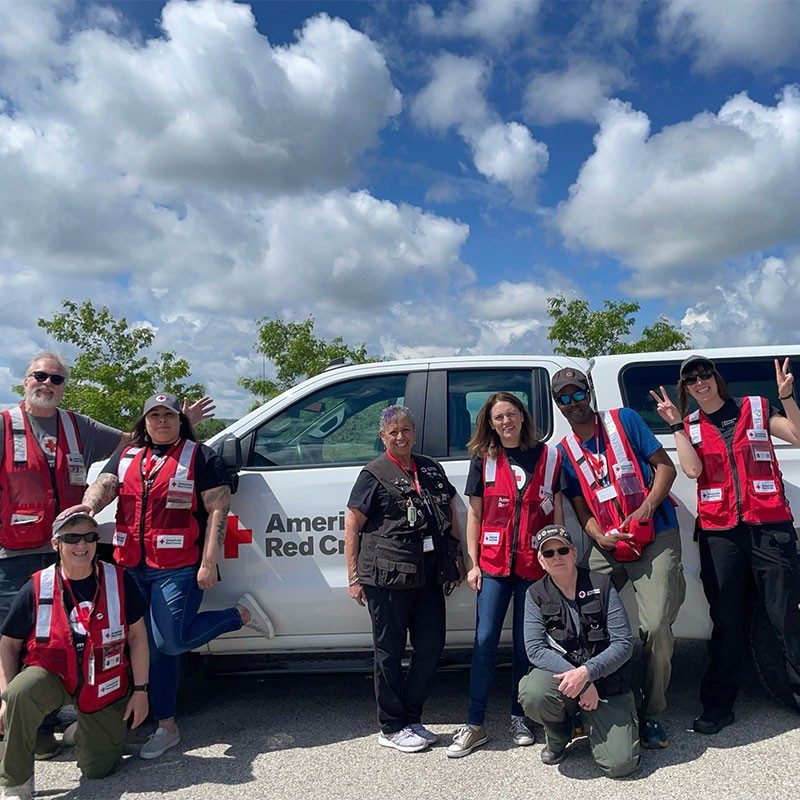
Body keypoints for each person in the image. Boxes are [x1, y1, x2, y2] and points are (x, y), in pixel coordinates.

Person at [0, 353, 213, 759]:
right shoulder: (3, 425)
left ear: (64, 385)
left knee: (72, 632)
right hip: (15, 551)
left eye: (56, 378)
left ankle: (63, 710)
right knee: (20, 638)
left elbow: (137, 439)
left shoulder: (77, 425)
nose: (47, 383)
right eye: (40, 376)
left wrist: (183, 425)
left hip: (72, 548)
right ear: (25, 380)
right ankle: (23, 722)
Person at [61, 392, 271, 760]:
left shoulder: (199, 455)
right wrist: (89, 507)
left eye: (169, 415)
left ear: (180, 420)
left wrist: (209, 562)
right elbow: (106, 484)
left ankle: (237, 616)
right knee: (135, 645)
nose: (161, 421)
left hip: (176, 566)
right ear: (144, 422)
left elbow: (218, 509)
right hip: (129, 567)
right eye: (154, 416)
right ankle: (160, 724)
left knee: (170, 642)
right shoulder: (128, 455)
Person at [651, 355, 800, 733]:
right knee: (727, 620)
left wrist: (787, 397)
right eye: (692, 379)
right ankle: (718, 705)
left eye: (704, 374)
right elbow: (692, 471)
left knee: (785, 615)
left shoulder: (756, 407)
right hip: (721, 533)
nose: (700, 382)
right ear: (686, 389)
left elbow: (797, 436)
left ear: (716, 378)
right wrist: (677, 427)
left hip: (769, 525)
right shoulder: (691, 425)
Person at [554, 367, 685, 750]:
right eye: (564, 398)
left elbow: (666, 467)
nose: (573, 403)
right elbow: (580, 505)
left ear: (589, 392)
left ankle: (653, 714)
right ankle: (586, 703)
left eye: (578, 394)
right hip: (608, 543)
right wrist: (596, 535)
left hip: (653, 534)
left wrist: (646, 508)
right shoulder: (565, 451)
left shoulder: (623, 420)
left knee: (657, 626)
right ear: (557, 405)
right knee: (577, 613)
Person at [0, 512, 150, 800]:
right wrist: (4, 697)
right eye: (72, 538)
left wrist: (141, 690)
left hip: (103, 684)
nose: (82, 545)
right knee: (20, 693)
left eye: (89, 537)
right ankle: (16, 782)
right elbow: (8, 644)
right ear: (56, 544)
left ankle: (80, 732)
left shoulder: (118, 579)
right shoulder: (37, 584)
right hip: (53, 674)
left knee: (98, 769)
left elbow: (137, 635)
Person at [447, 392, 563, 758]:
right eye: (498, 418)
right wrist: (473, 563)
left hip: (533, 569)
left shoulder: (548, 456)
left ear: (522, 417)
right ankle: (475, 723)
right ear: (490, 423)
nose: (506, 422)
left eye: (511, 415)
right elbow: (475, 516)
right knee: (484, 644)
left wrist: (557, 561)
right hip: (494, 568)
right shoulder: (484, 459)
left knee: (527, 648)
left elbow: (556, 513)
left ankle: (519, 716)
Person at [344, 406, 463, 753]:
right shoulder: (373, 474)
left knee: (430, 646)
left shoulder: (429, 468)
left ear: (414, 432)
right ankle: (391, 726)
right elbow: (352, 524)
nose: (401, 437)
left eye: (406, 430)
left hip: (428, 575)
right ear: (382, 437)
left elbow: (451, 511)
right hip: (386, 577)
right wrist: (354, 576)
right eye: (393, 432)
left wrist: (457, 558)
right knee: (390, 652)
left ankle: (411, 717)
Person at [518, 525, 640, 778]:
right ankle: (561, 732)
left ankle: (595, 722)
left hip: (606, 682)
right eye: (548, 553)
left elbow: (623, 643)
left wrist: (589, 673)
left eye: (562, 550)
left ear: (574, 553)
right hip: (567, 681)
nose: (557, 557)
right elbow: (535, 650)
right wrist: (582, 681)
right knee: (533, 692)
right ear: (541, 561)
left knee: (620, 765)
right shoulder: (535, 594)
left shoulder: (602, 584)